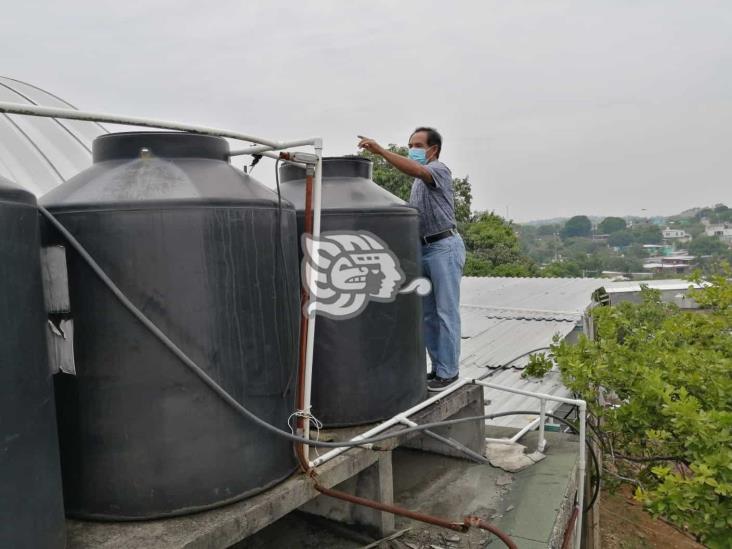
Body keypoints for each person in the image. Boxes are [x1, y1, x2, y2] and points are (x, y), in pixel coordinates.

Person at [358, 128, 466, 392]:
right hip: (424, 249)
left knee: (445, 312)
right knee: (429, 314)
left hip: (444, 246)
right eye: (410, 145)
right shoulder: (418, 184)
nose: (412, 149)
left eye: (418, 145)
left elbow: (416, 169)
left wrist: (381, 151)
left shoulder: (438, 170)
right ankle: (438, 369)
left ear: (434, 150)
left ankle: (449, 372)